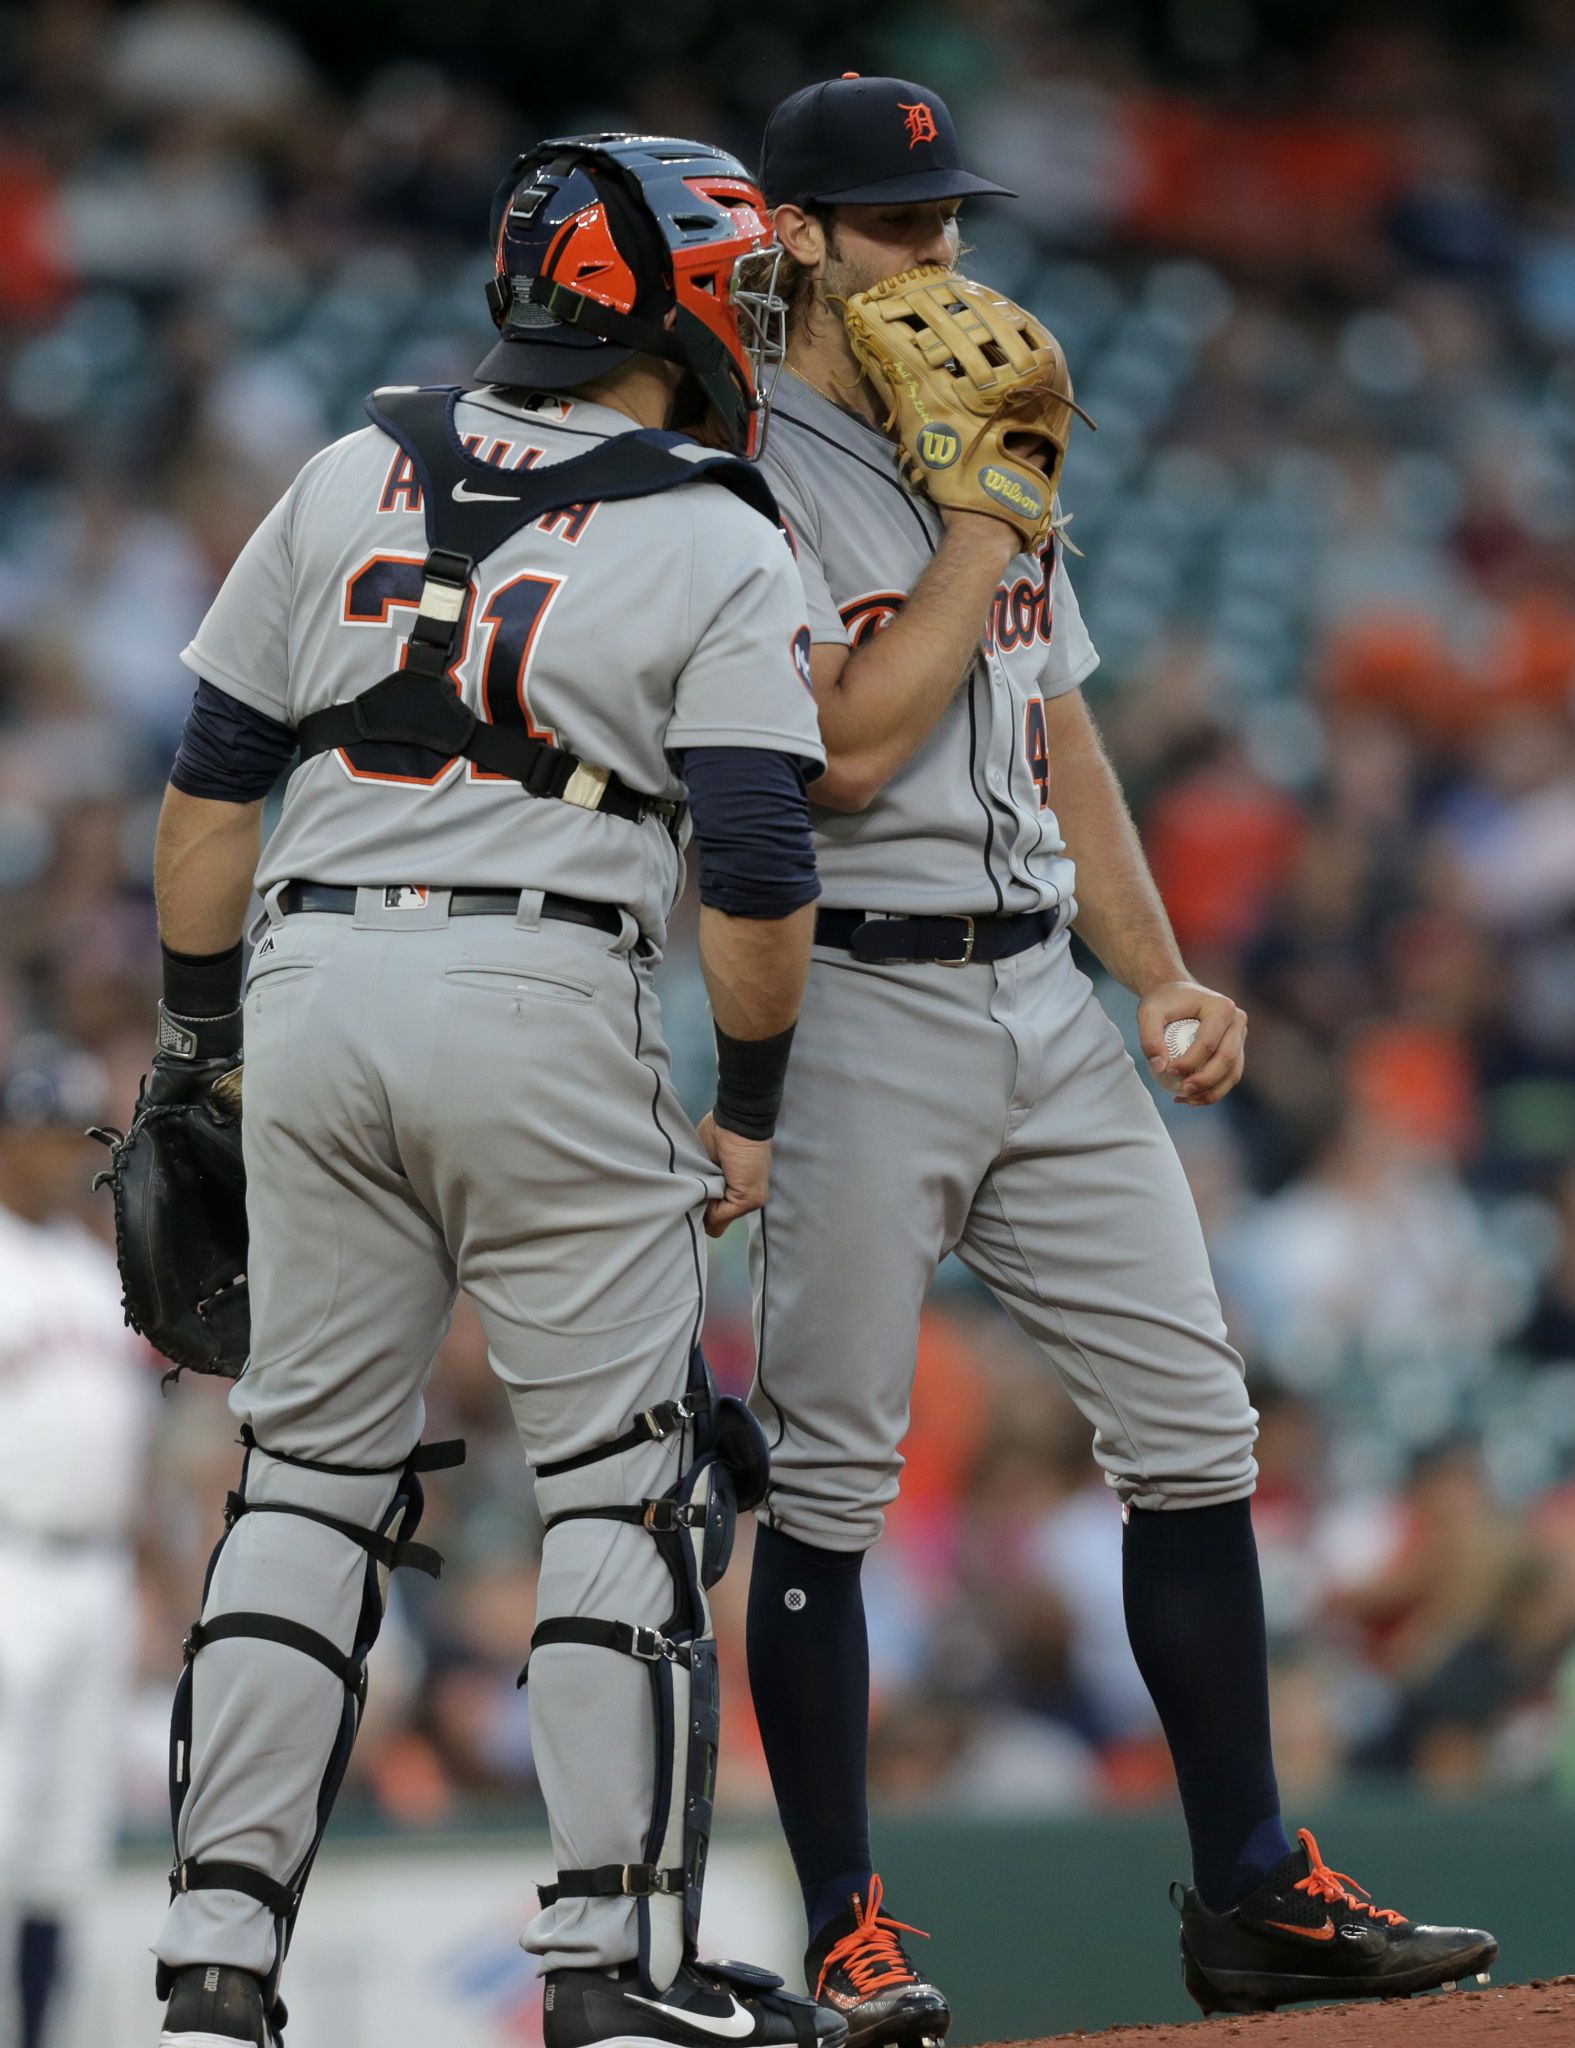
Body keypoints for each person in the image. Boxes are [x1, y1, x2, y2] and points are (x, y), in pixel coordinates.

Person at [740, 72, 1498, 2036]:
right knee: (825, 1479)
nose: (939, 255)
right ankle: (846, 1923)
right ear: (799, 236)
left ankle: (1251, 1887)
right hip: (860, 999)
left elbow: (1053, 722)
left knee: (1196, 1429)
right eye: (896, 225)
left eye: (949, 220)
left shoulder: (959, 421)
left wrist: (1153, 971)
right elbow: (844, 747)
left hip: (1038, 998)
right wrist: (987, 506)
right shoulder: (733, 464)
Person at [145, 131, 842, 2048]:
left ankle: (216, 1974)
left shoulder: (349, 467)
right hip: (538, 969)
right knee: (625, 1478)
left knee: (302, 1482)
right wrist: (752, 1103)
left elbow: (208, 800)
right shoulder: (717, 526)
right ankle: (614, 1964)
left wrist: (200, 1050)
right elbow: (765, 869)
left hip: (303, 964)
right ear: (678, 304)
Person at [0, 1039, 152, 2048]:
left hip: (97, 1570)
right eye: (44, 1128)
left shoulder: (97, 1270)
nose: (63, 1149)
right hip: (10, 1563)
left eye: (74, 1130)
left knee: (61, 1847)